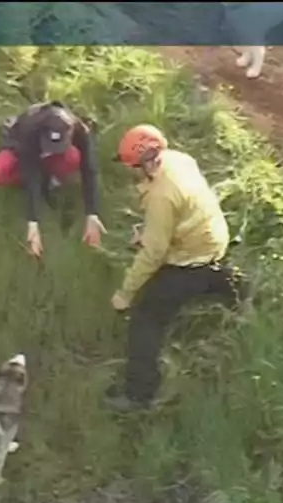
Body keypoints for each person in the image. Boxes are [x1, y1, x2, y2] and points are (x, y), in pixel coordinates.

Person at [103, 124, 243, 412]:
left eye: (132, 167)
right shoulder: (179, 160)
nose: (130, 172)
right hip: (215, 238)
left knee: (146, 318)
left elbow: (153, 254)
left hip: (190, 260)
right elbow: (184, 209)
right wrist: (150, 231)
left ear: (145, 165)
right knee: (215, 276)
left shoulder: (160, 197)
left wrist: (125, 294)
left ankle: (139, 395)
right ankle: (239, 293)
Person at [0, 101, 106, 258]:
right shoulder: (29, 129)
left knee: (73, 158)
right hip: (22, 150)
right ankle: (42, 185)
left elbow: (89, 169)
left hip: (49, 156)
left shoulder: (80, 130)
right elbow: (31, 172)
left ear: (70, 133)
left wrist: (92, 214)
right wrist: (33, 223)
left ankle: (51, 182)